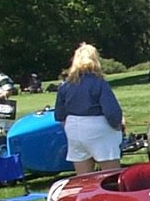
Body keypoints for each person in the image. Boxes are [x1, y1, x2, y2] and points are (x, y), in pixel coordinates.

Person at [53, 43, 123, 175]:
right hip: (97, 126)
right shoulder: (99, 82)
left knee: (83, 178)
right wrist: (118, 125)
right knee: (112, 175)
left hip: (73, 128)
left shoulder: (65, 85)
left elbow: (59, 115)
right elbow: (111, 111)